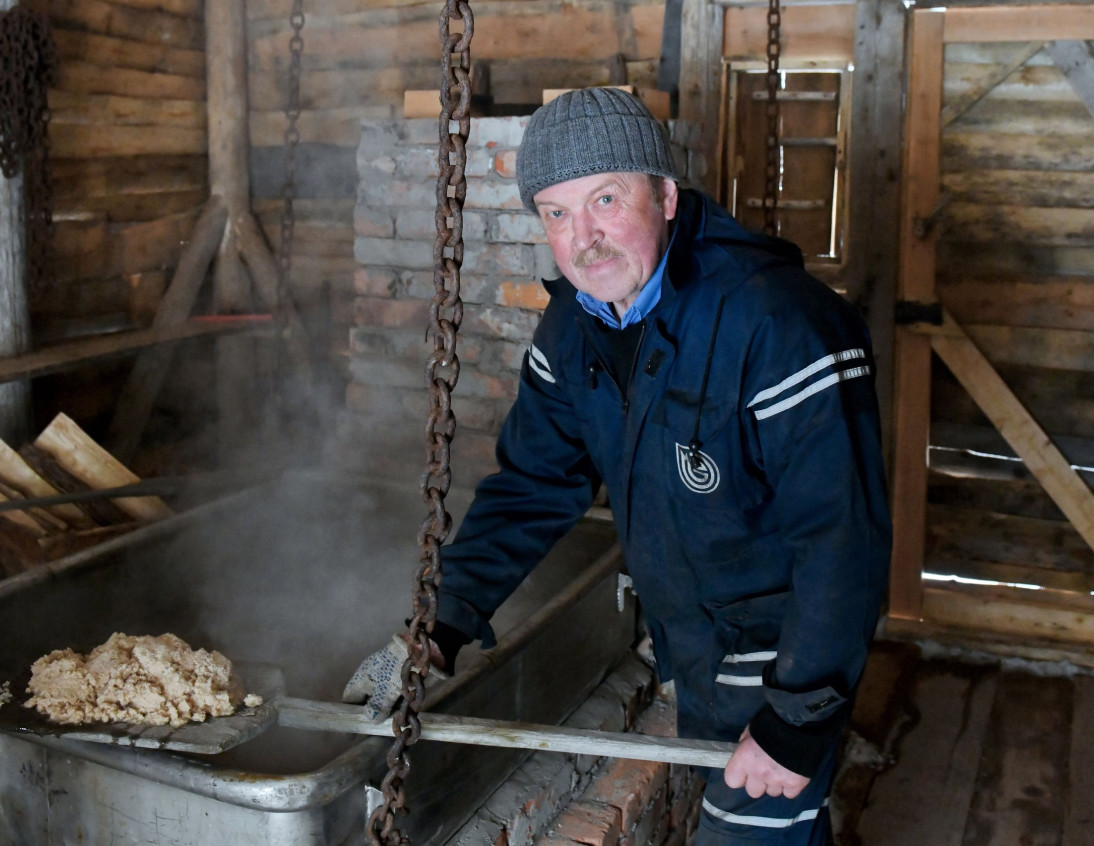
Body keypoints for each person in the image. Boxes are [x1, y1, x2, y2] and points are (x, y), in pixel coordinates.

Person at [343, 87, 891, 845]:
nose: (585, 238)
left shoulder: (779, 324)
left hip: (781, 652)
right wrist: (438, 626)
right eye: (558, 213)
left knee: (754, 834)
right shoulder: (574, 324)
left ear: (665, 196)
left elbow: (844, 539)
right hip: (694, 641)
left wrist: (798, 718)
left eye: (606, 199)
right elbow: (534, 483)